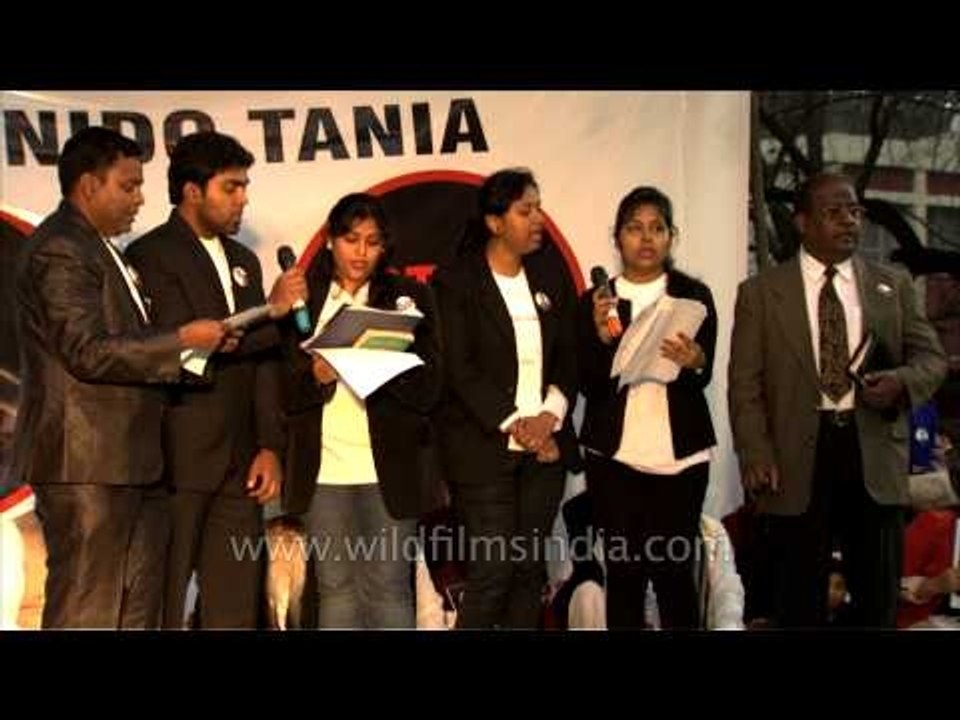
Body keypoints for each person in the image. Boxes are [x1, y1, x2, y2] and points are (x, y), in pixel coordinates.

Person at [10, 126, 229, 628]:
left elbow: (127, 349)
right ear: (89, 186)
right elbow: (86, 351)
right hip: (88, 466)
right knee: (89, 610)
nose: (141, 198)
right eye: (128, 186)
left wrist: (194, 353)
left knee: (135, 612)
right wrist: (181, 341)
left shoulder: (101, 247)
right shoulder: (61, 248)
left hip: (129, 463)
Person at [728, 172, 948, 628]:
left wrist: (901, 382)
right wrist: (754, 450)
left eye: (855, 211)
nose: (849, 221)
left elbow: (932, 359)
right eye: (834, 212)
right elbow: (744, 384)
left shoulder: (893, 284)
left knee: (876, 600)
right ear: (802, 222)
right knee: (797, 600)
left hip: (873, 454)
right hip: (794, 458)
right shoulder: (760, 293)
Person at [125, 131, 305, 628]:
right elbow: (196, 345)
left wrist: (269, 444)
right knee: (164, 601)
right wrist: (272, 314)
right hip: (175, 459)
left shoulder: (245, 261)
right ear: (191, 191)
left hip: (241, 462)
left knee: (235, 604)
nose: (243, 198)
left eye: (245, 186)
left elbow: (263, 363)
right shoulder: (149, 256)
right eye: (231, 187)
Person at [276, 192, 443, 629]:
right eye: (351, 239)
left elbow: (431, 388)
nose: (362, 252)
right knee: (336, 589)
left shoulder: (410, 297)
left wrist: (382, 363)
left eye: (372, 241)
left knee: (388, 586)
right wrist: (316, 376)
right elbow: (281, 393)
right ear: (331, 241)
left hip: (389, 467)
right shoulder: (302, 299)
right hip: (324, 469)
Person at [432, 167, 579, 629]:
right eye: (525, 210)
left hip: (545, 449)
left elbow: (569, 356)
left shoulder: (550, 273)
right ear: (495, 223)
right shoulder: (455, 282)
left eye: (538, 207)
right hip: (483, 449)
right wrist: (519, 423)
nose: (538, 218)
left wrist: (549, 417)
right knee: (493, 571)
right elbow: (460, 367)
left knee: (526, 570)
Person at [577, 185, 718, 629]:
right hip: (614, 459)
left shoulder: (694, 294)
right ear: (617, 237)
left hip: (681, 458)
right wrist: (601, 341)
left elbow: (704, 374)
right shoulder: (596, 301)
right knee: (624, 576)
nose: (646, 238)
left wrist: (696, 362)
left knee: (674, 573)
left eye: (657, 228)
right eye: (635, 228)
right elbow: (589, 384)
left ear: (672, 236)